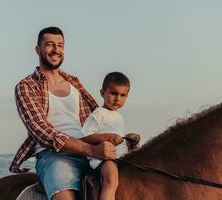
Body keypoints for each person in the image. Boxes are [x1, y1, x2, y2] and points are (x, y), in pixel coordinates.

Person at [9, 27, 123, 200]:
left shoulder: (74, 83)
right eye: (49, 44)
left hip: (90, 151)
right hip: (55, 156)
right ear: (38, 49)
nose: (56, 50)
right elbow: (43, 133)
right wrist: (91, 149)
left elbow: (98, 117)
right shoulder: (27, 86)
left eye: (60, 45)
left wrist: (123, 140)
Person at [82, 72, 139, 200]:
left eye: (122, 95)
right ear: (103, 93)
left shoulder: (118, 117)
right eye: (113, 93)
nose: (117, 99)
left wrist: (129, 142)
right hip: (103, 158)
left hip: (119, 157)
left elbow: (118, 139)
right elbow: (85, 137)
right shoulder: (98, 114)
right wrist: (107, 137)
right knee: (111, 179)